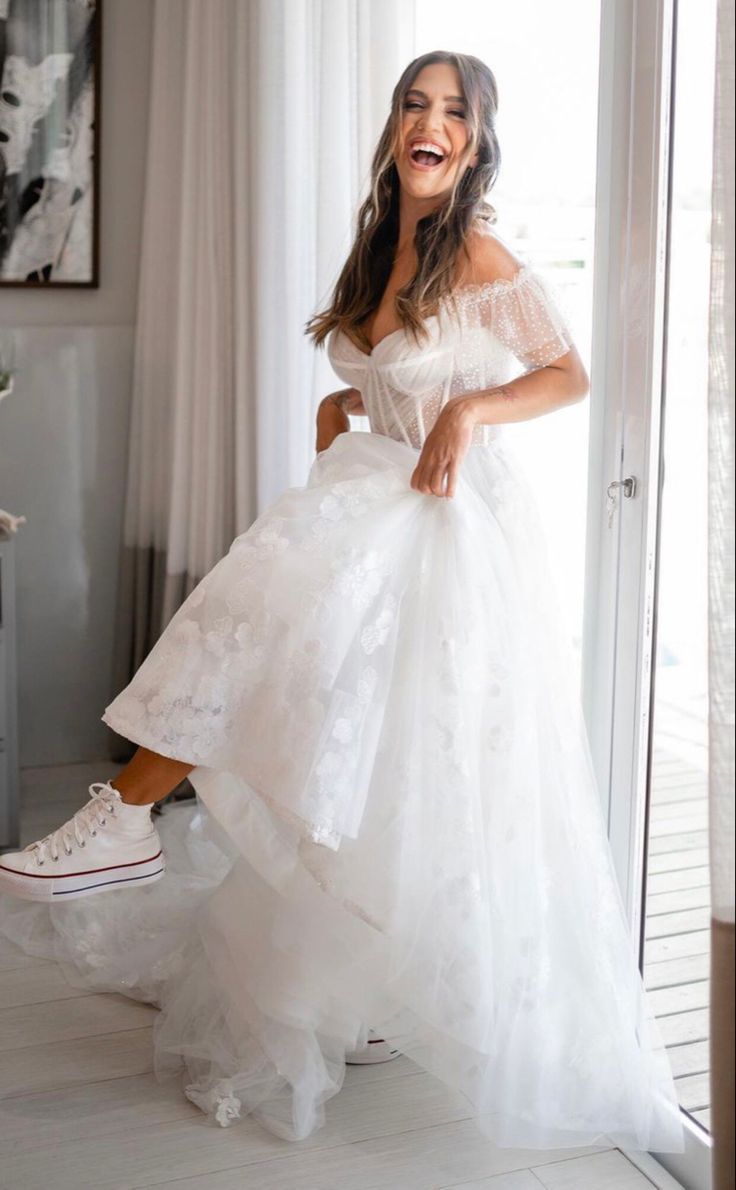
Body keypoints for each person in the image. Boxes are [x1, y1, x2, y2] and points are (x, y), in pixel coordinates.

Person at [0, 51, 685, 1154]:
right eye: (414, 103)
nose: (430, 121)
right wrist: (344, 395)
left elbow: (566, 375)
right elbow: (391, 360)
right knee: (314, 709)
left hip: (441, 525)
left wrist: (469, 417)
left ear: (475, 141)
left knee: (271, 634)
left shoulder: (476, 249)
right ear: (395, 128)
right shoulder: (383, 245)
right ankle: (191, 864)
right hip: (374, 488)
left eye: (453, 111)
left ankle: (126, 817)